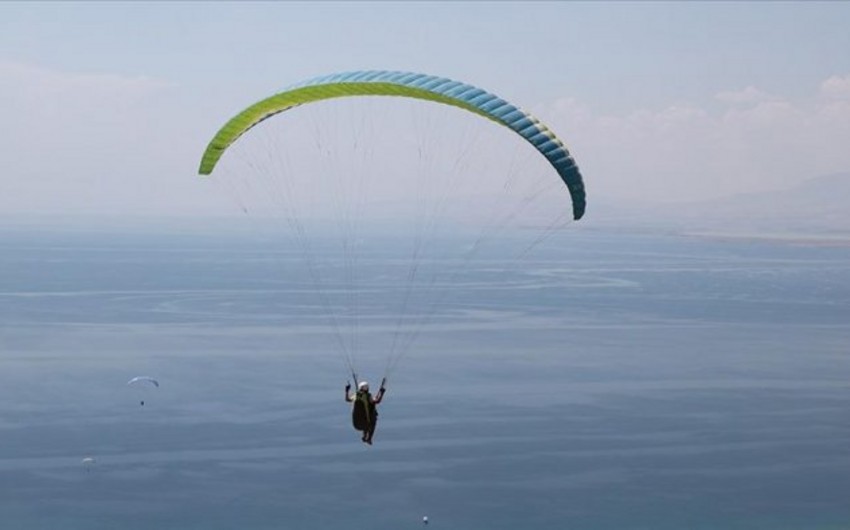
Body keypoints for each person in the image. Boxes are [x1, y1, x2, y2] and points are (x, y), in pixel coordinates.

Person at [345, 379, 386, 445]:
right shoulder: (368, 396)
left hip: (355, 425)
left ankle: (364, 436)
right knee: (373, 416)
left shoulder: (355, 395)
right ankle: (369, 438)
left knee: (364, 413)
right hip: (365, 424)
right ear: (367, 389)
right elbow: (377, 401)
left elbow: (347, 399)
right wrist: (382, 393)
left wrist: (347, 391)